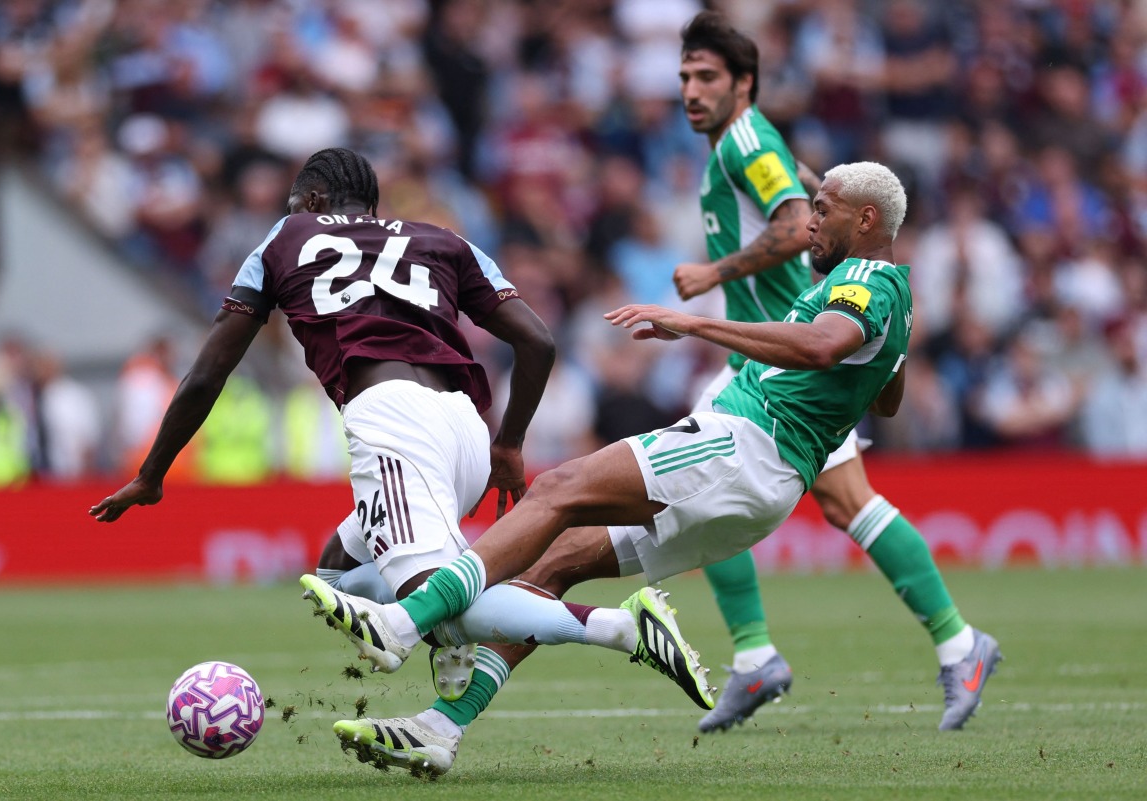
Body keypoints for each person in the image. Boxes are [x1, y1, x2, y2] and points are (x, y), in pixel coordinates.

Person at [304, 162, 998, 779]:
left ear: (866, 219)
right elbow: (889, 396)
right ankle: (439, 730)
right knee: (552, 569)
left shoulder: (866, 279)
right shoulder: (894, 294)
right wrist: (883, 355)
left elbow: (820, 347)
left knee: (557, 489)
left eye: (824, 209)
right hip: (760, 480)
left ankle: (406, 619)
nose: (809, 222)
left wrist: (695, 325)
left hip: (742, 445)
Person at [89, 147, 715, 748]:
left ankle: (621, 628)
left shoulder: (284, 236)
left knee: (434, 602)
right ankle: (450, 640)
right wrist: (510, 445)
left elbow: (207, 373)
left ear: (311, 197)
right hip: (466, 429)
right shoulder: (445, 239)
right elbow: (538, 341)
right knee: (336, 567)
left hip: (393, 422)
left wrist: (152, 474)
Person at [668, 10, 998, 734]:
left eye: (707, 77)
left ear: (743, 83)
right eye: (686, 76)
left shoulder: (745, 139)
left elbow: (791, 223)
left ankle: (769, 654)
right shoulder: (748, 140)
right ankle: (948, 643)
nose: (690, 90)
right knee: (838, 504)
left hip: (792, 360)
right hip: (774, 358)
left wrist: (712, 272)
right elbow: (807, 198)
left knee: (718, 490)